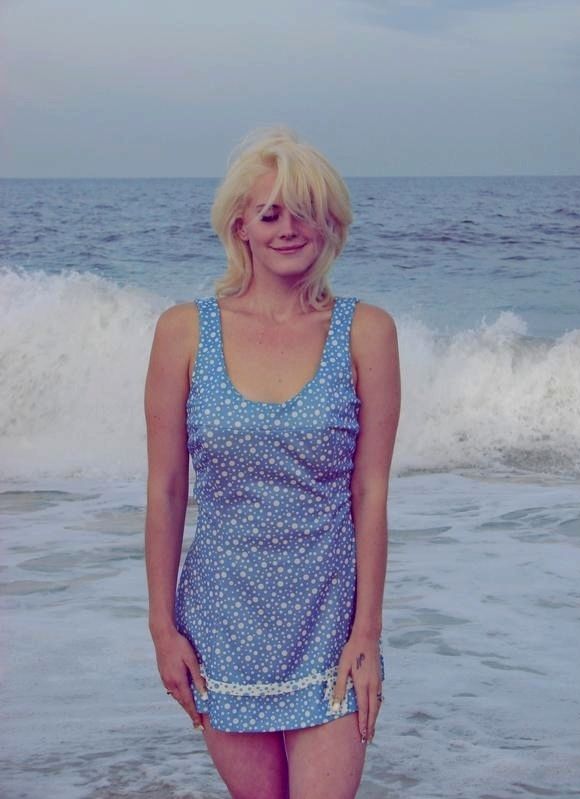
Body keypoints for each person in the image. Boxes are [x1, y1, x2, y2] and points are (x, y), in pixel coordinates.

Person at [144, 126, 401, 799]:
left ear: (331, 224)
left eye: (308, 211)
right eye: (271, 212)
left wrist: (366, 634)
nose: (290, 227)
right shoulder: (182, 330)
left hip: (328, 624)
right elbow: (168, 489)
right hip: (221, 622)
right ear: (241, 225)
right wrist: (162, 626)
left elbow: (370, 491)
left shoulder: (366, 330)